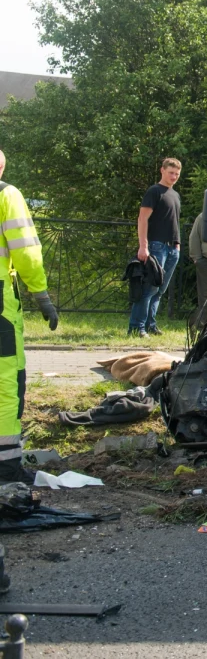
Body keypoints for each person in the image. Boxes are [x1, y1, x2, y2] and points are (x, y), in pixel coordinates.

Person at [0, 150, 58, 483]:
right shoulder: (6, 195)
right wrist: (41, 295)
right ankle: (6, 469)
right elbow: (25, 252)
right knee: (6, 386)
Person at [129, 158, 182, 338]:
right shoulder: (154, 191)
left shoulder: (174, 195)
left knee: (160, 290)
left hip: (172, 248)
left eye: (177, 174)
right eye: (171, 173)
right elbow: (142, 219)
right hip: (156, 246)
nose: (174, 176)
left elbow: (174, 222)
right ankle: (137, 327)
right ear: (162, 171)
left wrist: (178, 245)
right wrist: (143, 246)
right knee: (150, 288)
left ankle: (150, 324)